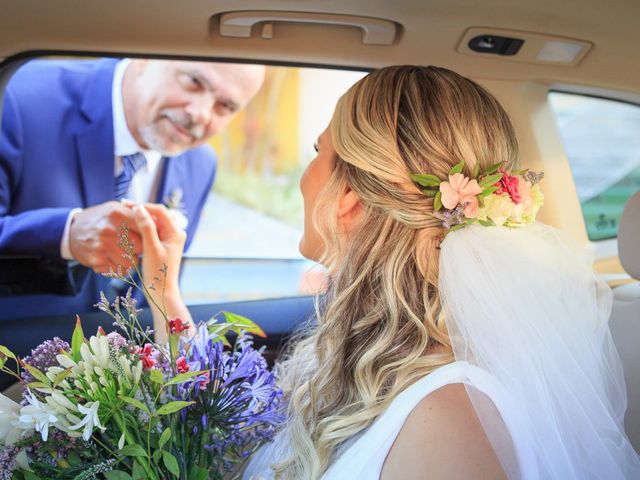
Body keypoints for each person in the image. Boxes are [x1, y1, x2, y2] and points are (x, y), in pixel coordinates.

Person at [132, 66, 640, 479]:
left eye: (318, 152)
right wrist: (161, 288)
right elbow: (231, 428)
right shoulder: (353, 351)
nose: (305, 175)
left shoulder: (449, 424)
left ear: (349, 197)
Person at [0, 57, 265, 321]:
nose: (200, 114)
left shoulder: (200, 164)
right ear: (145, 57)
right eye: (193, 82)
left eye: (225, 106)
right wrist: (65, 235)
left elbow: (157, 296)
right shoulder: (17, 95)